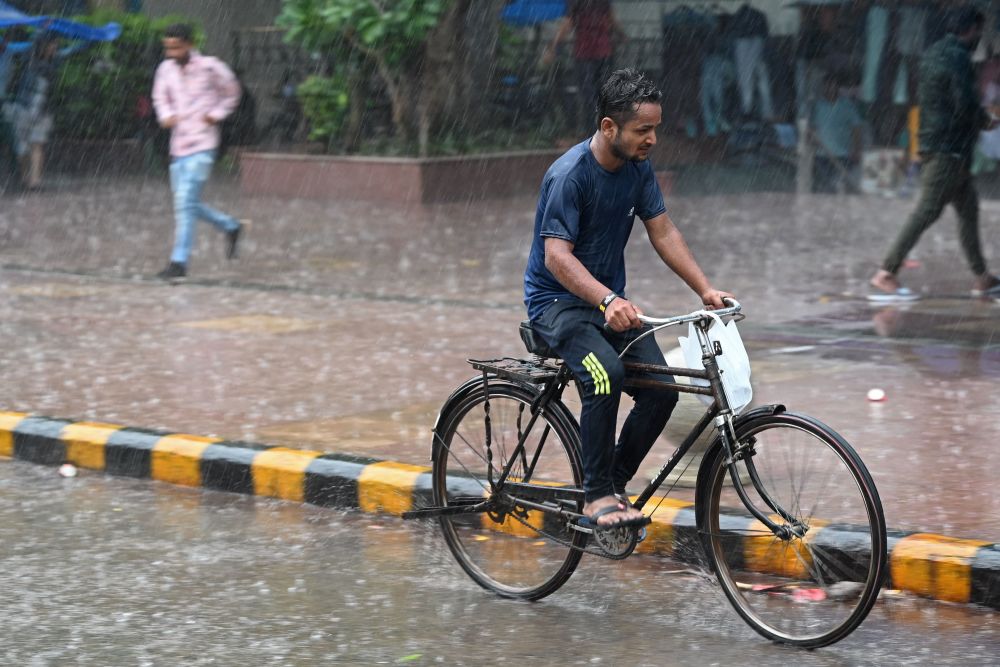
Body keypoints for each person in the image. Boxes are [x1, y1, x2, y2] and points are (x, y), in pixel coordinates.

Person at [523, 68, 733, 529]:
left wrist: (704, 288)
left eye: (655, 128)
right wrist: (605, 301)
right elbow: (556, 257)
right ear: (608, 128)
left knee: (663, 390)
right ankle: (594, 496)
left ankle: (613, 485)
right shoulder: (570, 176)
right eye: (643, 129)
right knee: (605, 376)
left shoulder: (638, 169)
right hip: (556, 306)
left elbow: (663, 230)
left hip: (607, 304)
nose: (652, 139)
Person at [869, 7, 1000, 301]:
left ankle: (982, 277)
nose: (979, 39)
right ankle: (886, 273)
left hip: (939, 146)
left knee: (969, 211)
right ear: (971, 30)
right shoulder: (959, 58)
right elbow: (964, 103)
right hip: (948, 151)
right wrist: (986, 120)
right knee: (926, 212)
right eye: (979, 33)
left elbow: (939, 100)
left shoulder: (933, 54)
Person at [152, 23, 244, 281]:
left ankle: (178, 264)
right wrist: (166, 115)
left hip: (204, 145)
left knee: (184, 203)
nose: (171, 52)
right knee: (187, 204)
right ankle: (230, 226)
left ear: (190, 44)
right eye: (167, 47)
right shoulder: (165, 70)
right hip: (178, 145)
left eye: (176, 46)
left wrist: (216, 115)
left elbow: (233, 93)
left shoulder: (211, 67)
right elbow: (160, 97)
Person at [8, 32, 86, 190]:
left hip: (43, 112)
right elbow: (18, 48)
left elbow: (72, 51)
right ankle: (25, 176)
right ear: (43, 45)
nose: (55, 47)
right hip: (23, 108)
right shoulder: (29, 57)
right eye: (52, 44)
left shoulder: (55, 59)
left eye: (56, 44)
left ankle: (35, 180)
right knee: (22, 147)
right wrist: (43, 29)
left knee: (37, 144)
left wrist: (89, 39)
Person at [543, 0, 626, 134]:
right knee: (602, 94)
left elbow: (567, 24)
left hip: (585, 54)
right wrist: (622, 35)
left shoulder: (575, 3)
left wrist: (554, 46)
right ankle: (604, 131)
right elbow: (611, 19)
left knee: (588, 95)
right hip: (603, 52)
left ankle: (593, 132)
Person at [810, 72, 864, 193]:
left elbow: (856, 128)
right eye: (826, 86)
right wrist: (812, 140)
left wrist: (857, 150)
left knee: (839, 186)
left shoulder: (847, 106)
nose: (829, 89)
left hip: (843, 156)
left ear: (838, 88)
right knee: (826, 187)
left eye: (832, 85)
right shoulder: (818, 106)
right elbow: (813, 128)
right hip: (822, 156)